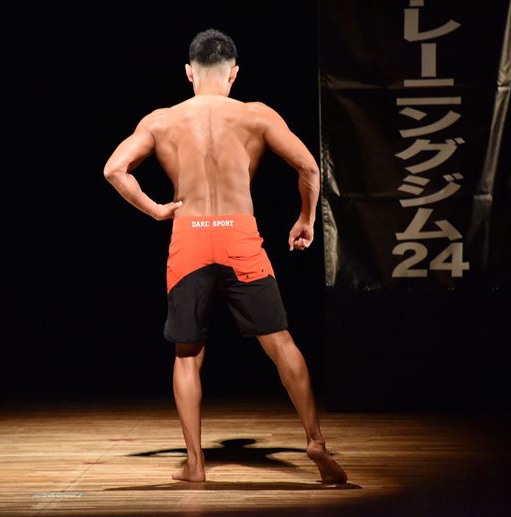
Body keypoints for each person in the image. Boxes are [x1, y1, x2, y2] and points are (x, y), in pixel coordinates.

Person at [103, 28, 347, 484]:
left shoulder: (162, 120)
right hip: (239, 237)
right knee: (281, 343)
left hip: (189, 237)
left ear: (189, 72)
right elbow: (310, 167)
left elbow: (114, 169)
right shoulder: (256, 115)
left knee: (187, 355)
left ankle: (195, 464)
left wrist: (157, 210)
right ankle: (315, 440)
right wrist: (306, 219)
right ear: (234, 73)